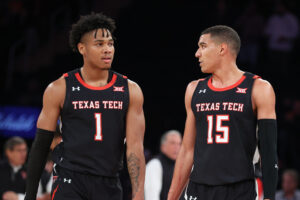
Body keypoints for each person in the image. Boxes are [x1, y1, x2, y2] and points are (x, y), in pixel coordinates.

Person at [24, 13, 146, 200]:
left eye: (110, 44)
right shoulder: (59, 88)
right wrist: (30, 195)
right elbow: (41, 145)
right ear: (82, 48)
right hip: (70, 180)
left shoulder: (130, 90)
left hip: (109, 182)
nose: (107, 49)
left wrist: (138, 195)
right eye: (99, 44)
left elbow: (135, 148)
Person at [168, 25, 278, 200]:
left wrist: (270, 197)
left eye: (203, 46)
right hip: (199, 189)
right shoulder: (194, 89)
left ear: (222, 49)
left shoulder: (259, 88)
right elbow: (187, 150)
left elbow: (269, 151)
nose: (197, 53)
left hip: (240, 189)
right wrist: (171, 197)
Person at [145, 130, 182, 200]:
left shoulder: (182, 166)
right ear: (163, 146)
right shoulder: (155, 165)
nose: (177, 147)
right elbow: (151, 196)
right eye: (172, 143)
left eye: (179, 144)